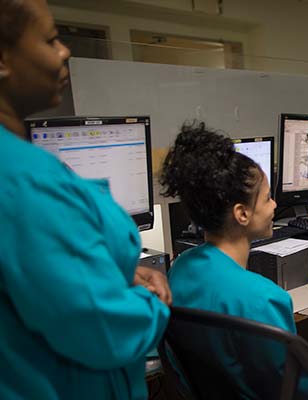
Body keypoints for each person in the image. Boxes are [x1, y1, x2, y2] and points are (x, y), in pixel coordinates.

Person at [0, 1, 171, 398]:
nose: (66, 51)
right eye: (50, 39)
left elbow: (36, 275)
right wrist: (153, 300)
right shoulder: (25, 180)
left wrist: (112, 274)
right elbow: (106, 330)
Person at [161, 122, 308, 400]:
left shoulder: (180, 269)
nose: (274, 206)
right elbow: (304, 393)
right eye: (268, 198)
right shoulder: (264, 298)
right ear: (242, 214)